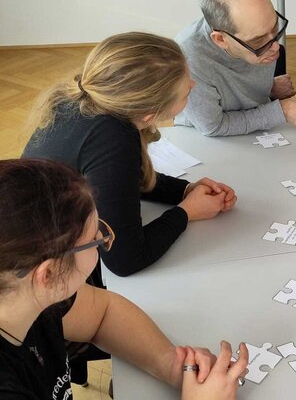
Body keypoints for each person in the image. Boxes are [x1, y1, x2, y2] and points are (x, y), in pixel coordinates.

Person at [0, 158, 248, 399]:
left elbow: (102, 313)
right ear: (49, 274)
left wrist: (173, 366)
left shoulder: (24, 290)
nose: (107, 239)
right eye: (94, 240)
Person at [23, 32, 237, 280]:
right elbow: (126, 260)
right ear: (148, 114)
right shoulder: (114, 139)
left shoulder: (83, 99)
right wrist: (186, 212)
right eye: (186, 92)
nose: (194, 85)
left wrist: (185, 190)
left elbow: (119, 178)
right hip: (42, 262)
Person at [175, 0, 296, 136]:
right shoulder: (188, 58)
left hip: (256, 127)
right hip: (202, 138)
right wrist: (282, 110)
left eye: (275, 28)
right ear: (221, 39)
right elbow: (213, 126)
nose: (275, 47)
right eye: (258, 41)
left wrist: (269, 89)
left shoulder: (257, 31)